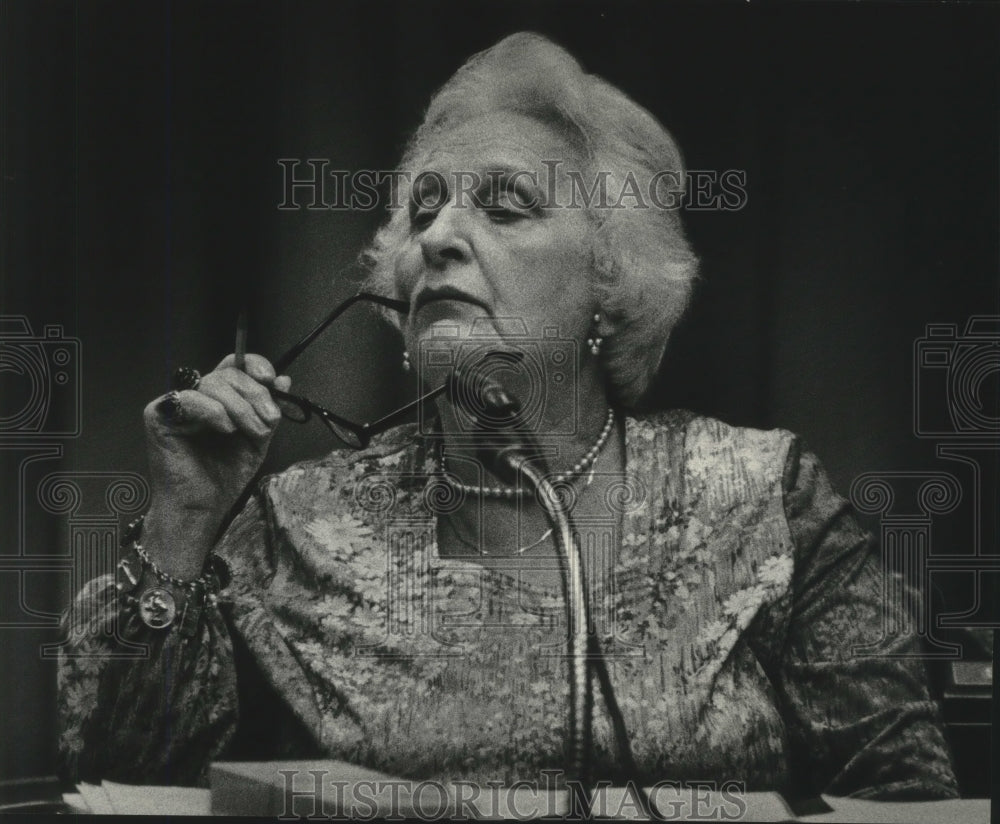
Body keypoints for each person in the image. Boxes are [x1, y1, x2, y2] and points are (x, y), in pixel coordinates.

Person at [58, 32, 959, 802]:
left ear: (612, 283)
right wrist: (184, 519)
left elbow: (909, 803)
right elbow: (130, 787)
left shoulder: (764, 497)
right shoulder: (297, 521)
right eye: (425, 209)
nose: (441, 235)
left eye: (505, 204)